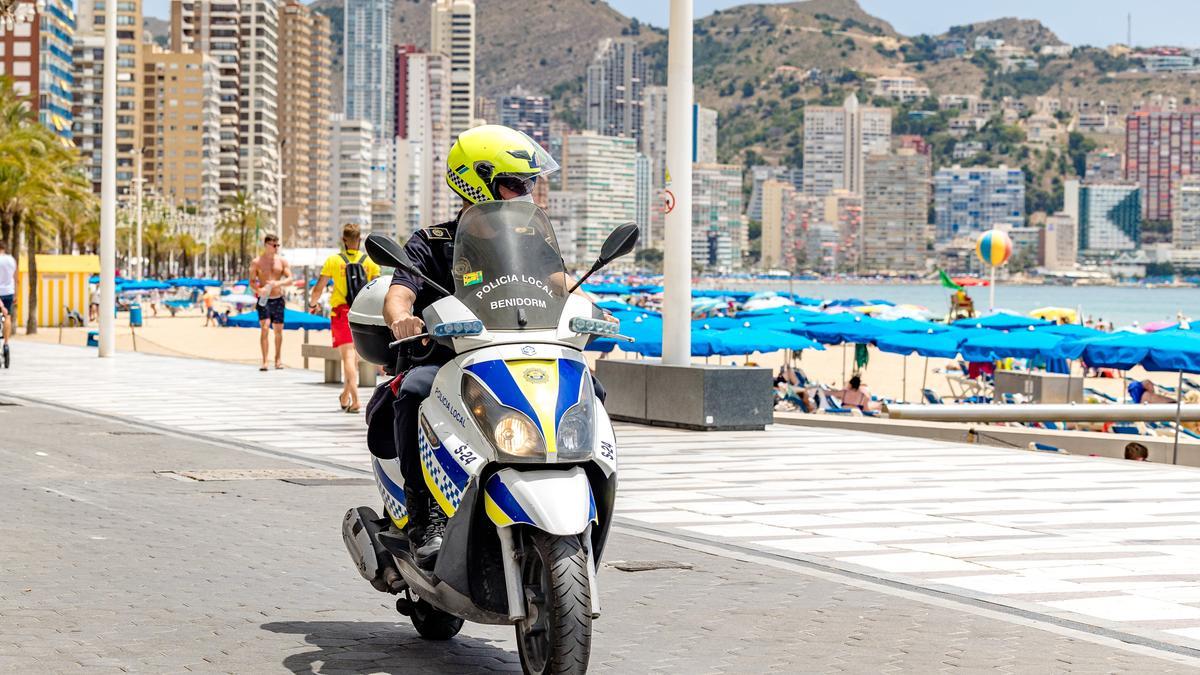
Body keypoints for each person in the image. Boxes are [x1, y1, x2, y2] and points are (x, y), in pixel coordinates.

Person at [379, 125, 612, 567]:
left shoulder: (529, 241)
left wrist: (590, 306)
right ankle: (422, 514)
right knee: (411, 394)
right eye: (514, 182)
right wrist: (401, 318)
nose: (524, 192)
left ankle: (587, 497)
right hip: (449, 361)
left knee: (593, 393)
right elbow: (400, 293)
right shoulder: (432, 243)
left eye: (528, 183)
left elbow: (558, 282)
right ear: (475, 179)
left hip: (514, 358)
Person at [310, 223, 381, 414]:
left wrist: (312, 304)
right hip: (362, 313)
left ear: (343, 240)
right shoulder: (370, 262)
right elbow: (377, 288)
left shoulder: (334, 260)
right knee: (354, 358)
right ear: (359, 240)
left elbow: (319, 287)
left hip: (341, 313)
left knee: (348, 358)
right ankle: (345, 396)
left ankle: (356, 400)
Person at [249, 233, 293, 371]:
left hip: (278, 298)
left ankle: (278, 359)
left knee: (278, 331)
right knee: (265, 328)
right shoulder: (257, 262)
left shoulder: (282, 261)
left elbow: (290, 279)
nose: (276, 247)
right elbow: (251, 282)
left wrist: (277, 283)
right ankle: (264, 361)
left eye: (278, 245)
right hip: (264, 299)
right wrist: (258, 289)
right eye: (274, 245)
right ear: (266, 245)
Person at [0, 241, 14, 344]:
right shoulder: (11, 260)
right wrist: (16, 294)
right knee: (7, 316)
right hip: (9, 292)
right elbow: (16, 278)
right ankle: (6, 343)